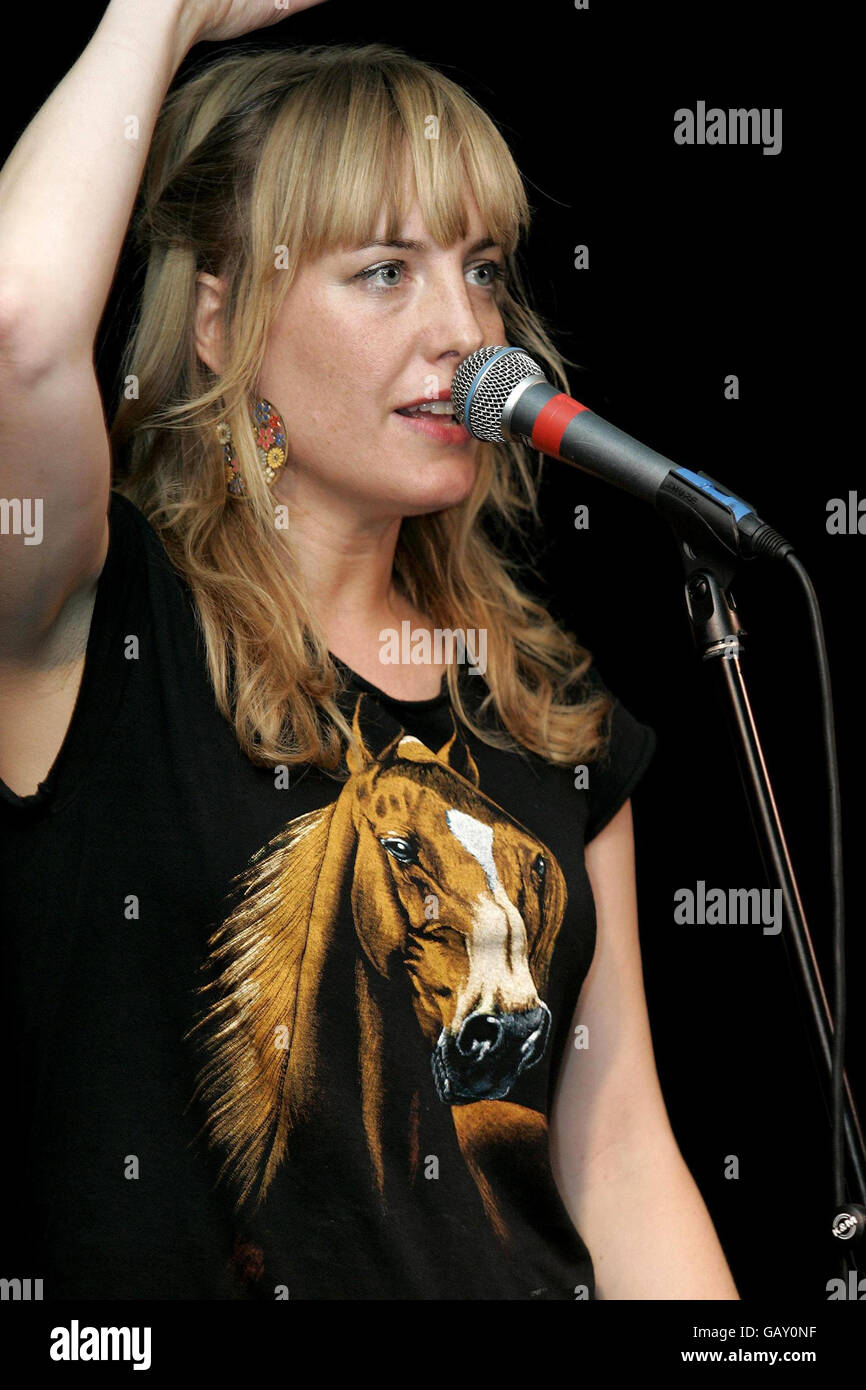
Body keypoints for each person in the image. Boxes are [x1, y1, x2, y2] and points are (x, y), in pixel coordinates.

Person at [0, 0, 739, 1300]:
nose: (466, 331)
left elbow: (621, 1162)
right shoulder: (92, 623)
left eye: (482, 266)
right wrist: (160, 12)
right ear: (220, 325)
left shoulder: (545, 705)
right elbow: (15, 325)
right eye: (385, 270)